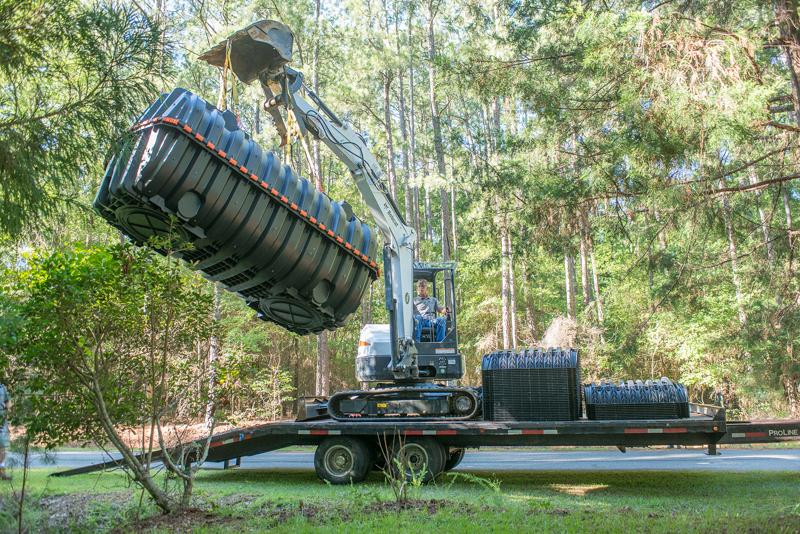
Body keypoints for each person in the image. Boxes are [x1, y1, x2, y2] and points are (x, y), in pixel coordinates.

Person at [0, 381, 9, 480]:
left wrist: (7, 413)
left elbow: (7, 401)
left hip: (2, 421)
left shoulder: (2, 387)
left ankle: (2, 472)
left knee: (2, 446)